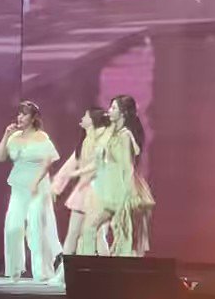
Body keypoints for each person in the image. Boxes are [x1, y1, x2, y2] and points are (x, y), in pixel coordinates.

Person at [0, 101, 62, 282]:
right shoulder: (14, 136)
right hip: (18, 186)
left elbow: (48, 161)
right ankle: (14, 269)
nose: (20, 117)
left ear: (33, 118)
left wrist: (35, 182)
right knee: (13, 227)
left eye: (24, 114)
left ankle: (42, 272)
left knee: (36, 228)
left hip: (38, 187)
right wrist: (6, 135)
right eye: (19, 114)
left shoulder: (41, 137)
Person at [81, 95, 155, 257]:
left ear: (123, 113)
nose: (109, 111)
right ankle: (91, 263)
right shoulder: (112, 133)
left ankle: (122, 264)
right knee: (92, 228)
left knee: (122, 232)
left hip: (122, 189)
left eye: (113, 108)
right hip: (111, 188)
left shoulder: (124, 136)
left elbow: (127, 166)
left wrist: (127, 194)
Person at [52, 107, 110, 256]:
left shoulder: (104, 141)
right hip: (83, 192)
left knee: (99, 236)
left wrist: (77, 173)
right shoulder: (85, 142)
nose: (82, 118)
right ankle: (64, 267)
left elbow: (100, 165)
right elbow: (69, 165)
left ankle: (107, 268)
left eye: (86, 115)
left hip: (99, 193)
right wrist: (56, 187)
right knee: (73, 233)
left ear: (93, 120)